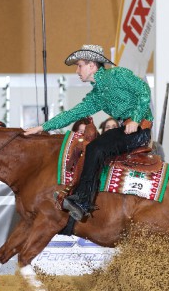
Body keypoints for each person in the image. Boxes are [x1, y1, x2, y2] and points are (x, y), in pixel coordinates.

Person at [24, 44, 153, 221]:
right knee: (94, 147)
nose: (77, 70)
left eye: (80, 65)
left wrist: (137, 118)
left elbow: (144, 90)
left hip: (138, 129)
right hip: (127, 129)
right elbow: (73, 113)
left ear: (92, 66)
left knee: (95, 148)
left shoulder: (117, 74)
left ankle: (84, 202)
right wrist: (42, 127)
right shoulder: (97, 95)